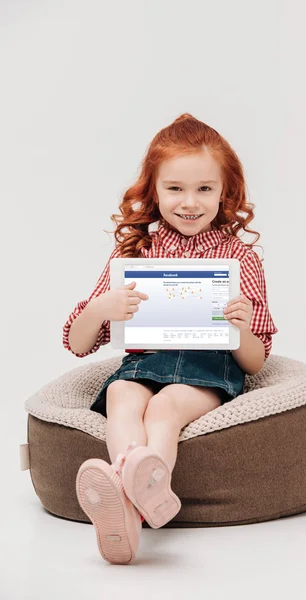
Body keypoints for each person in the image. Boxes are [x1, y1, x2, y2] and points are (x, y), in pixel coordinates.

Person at [63, 113, 278, 565]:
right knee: (122, 393)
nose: (190, 203)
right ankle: (132, 501)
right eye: (175, 188)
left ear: (225, 192)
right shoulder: (136, 253)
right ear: (153, 191)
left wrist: (240, 327)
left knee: (165, 407)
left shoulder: (239, 257)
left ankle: (130, 499)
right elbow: (79, 342)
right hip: (146, 361)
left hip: (208, 366)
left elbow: (256, 361)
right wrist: (101, 309)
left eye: (205, 188)